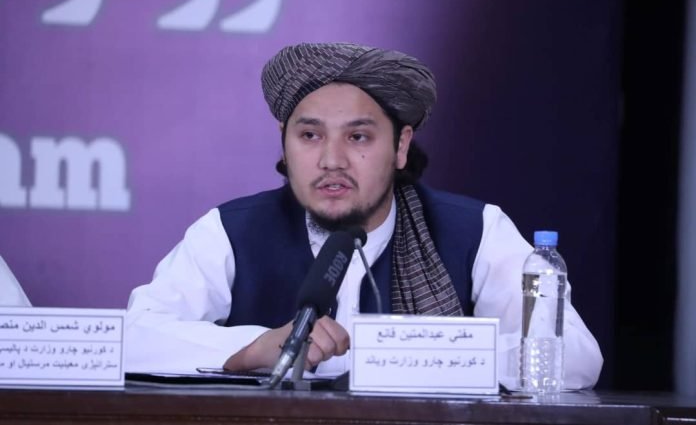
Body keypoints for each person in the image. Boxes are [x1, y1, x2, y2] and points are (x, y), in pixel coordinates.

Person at [125, 42, 602, 389]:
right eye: (310, 136)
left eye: (358, 137)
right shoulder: (232, 231)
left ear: (401, 146)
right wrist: (251, 349)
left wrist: (412, 354)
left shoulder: (475, 231)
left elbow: (574, 356)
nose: (331, 160)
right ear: (284, 144)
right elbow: (134, 337)